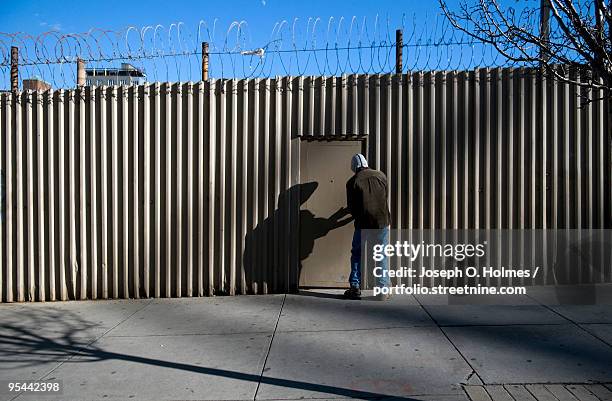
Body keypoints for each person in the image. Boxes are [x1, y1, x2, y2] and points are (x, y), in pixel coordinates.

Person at [344, 154, 391, 300]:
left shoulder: (352, 182)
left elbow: (352, 209)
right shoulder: (381, 176)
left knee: (357, 253)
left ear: (354, 167)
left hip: (362, 224)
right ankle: (382, 289)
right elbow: (385, 198)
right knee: (381, 253)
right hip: (382, 222)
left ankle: (355, 287)